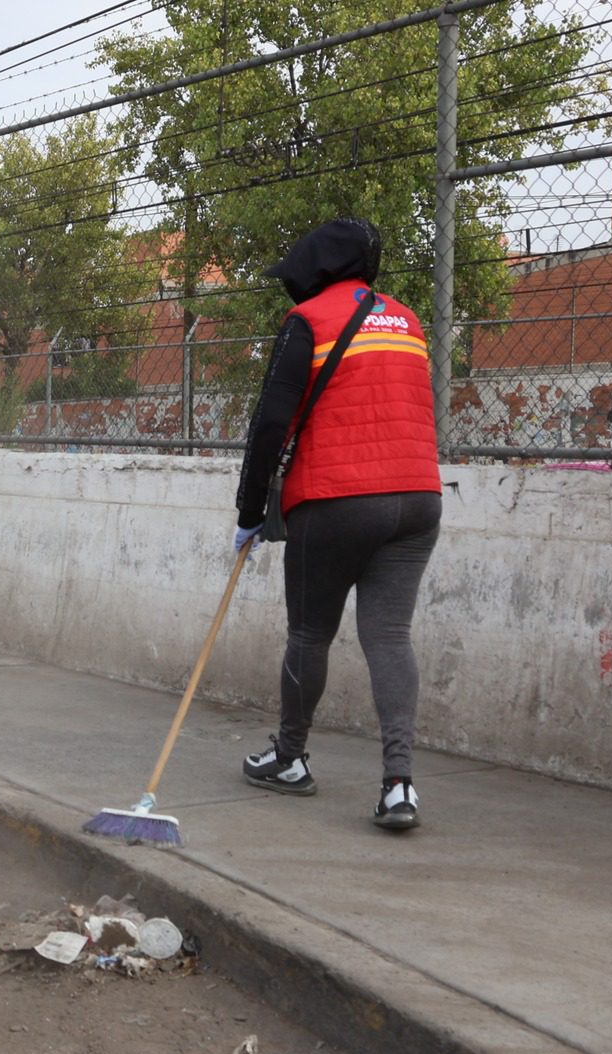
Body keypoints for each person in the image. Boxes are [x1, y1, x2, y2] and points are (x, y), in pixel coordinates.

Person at [233, 217, 442, 831]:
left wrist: (249, 512)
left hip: (337, 500)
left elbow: (272, 424)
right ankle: (399, 786)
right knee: (389, 637)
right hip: (417, 499)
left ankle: (291, 759)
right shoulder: (406, 320)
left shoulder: (308, 322)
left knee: (309, 634)